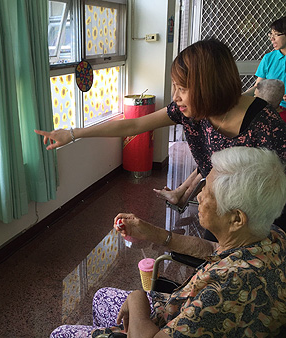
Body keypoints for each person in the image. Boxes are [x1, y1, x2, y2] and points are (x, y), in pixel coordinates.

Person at [35, 38, 286, 228]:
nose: (175, 97)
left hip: (255, 222)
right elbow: (132, 126)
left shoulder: (265, 126)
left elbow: (275, 193)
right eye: (174, 87)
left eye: (182, 89)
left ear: (208, 87)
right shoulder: (193, 110)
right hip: (218, 210)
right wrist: (73, 133)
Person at [50, 146, 286, 338]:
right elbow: (216, 250)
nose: (199, 195)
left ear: (236, 218)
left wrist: (137, 298)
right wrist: (153, 233)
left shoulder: (227, 289)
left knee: (62, 333)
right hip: (179, 311)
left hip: (166, 327)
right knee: (102, 297)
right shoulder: (272, 236)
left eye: (209, 194)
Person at [244, 17, 286, 111]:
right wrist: (240, 98)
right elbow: (258, 87)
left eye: (276, 35)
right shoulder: (268, 58)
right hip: (270, 109)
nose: (272, 38)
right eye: (271, 34)